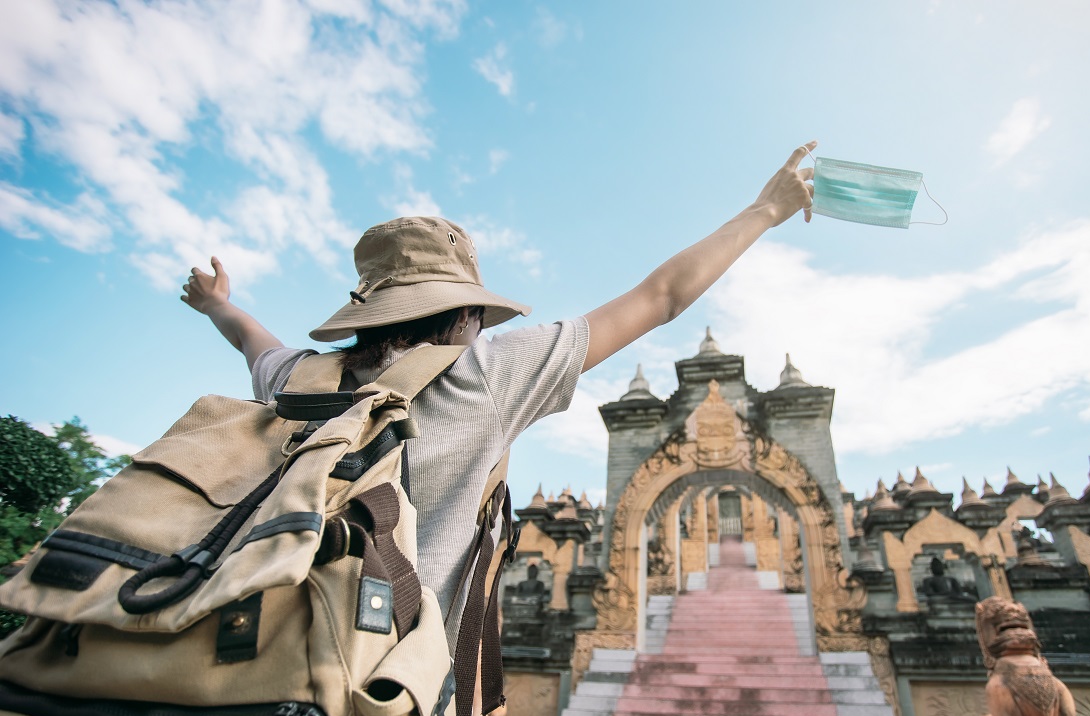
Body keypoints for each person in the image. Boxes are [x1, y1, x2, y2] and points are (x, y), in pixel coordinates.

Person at [182, 142, 817, 641]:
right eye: (478, 317)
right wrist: (766, 210)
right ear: (463, 315)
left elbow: (252, 342)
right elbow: (662, 296)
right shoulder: (482, 376)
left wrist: (218, 305)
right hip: (393, 685)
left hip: (257, 661)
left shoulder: (301, 380)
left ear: (370, 313)